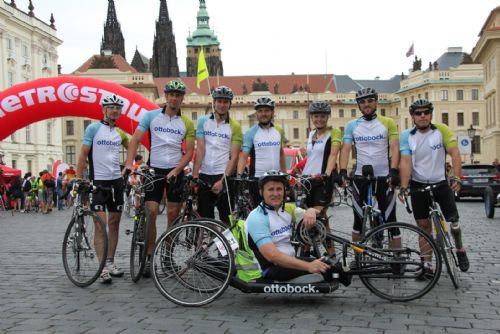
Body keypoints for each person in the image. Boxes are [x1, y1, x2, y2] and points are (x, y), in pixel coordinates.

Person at [124, 79, 195, 276]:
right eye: (171, 95)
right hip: (154, 169)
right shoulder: (151, 116)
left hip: (175, 171)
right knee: (152, 212)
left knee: (173, 216)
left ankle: (167, 255)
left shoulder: (187, 122)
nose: (174, 98)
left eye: (178, 95)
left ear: (182, 99)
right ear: (166, 96)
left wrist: (177, 170)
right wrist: (129, 163)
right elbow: (135, 140)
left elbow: (189, 152)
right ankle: (148, 256)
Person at [399, 99, 469, 274]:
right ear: (413, 117)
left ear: (431, 114)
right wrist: (403, 186)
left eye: (426, 112)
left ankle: (460, 249)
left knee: (454, 222)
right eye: (418, 113)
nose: (422, 116)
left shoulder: (441, 130)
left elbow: (455, 154)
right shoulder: (407, 135)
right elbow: (406, 162)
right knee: (423, 226)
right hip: (418, 184)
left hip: (440, 183)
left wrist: (456, 177)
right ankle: (427, 266)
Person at [244, 170, 331, 282]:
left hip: (288, 261)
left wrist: (310, 210)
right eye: (271, 189)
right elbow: (272, 256)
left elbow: (313, 214)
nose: (276, 194)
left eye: (279, 189)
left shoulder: (287, 209)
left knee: (330, 266)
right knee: (324, 271)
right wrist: (309, 266)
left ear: (285, 191)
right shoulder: (257, 217)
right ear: (261, 192)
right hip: (270, 267)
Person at [338, 87, 400, 242]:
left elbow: (395, 147)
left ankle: (396, 259)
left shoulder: (388, 122)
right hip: (360, 176)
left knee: (391, 220)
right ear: (358, 105)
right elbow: (345, 149)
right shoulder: (352, 125)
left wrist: (393, 170)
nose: (367, 104)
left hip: (384, 176)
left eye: (370, 100)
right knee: (358, 220)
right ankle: (358, 258)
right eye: (362, 102)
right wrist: (343, 171)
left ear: (376, 102)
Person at [76, 94, 126, 283]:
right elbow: (83, 154)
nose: (115, 110)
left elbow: (132, 146)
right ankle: (102, 267)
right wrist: (79, 178)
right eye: (111, 107)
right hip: (99, 183)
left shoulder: (119, 132)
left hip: (117, 183)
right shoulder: (94, 128)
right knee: (101, 225)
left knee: (114, 224)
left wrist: (132, 164)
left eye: (117, 108)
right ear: (104, 110)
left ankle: (111, 261)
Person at [192, 86, 242, 225]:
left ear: (230, 104)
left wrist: (223, 181)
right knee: (205, 219)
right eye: (219, 101)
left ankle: (226, 246)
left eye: (225, 102)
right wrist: (195, 174)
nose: (222, 105)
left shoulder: (235, 126)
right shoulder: (203, 122)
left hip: (224, 175)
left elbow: (234, 156)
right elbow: (200, 149)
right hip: (206, 174)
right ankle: (205, 245)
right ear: (214, 102)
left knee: (226, 220)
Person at [237, 97, 286, 206]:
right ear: (256, 114)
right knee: (259, 213)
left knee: (278, 211)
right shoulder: (251, 132)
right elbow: (244, 156)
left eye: (267, 110)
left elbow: (281, 155)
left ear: (272, 112)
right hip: (257, 179)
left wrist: (285, 174)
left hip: (277, 178)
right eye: (260, 111)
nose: (263, 114)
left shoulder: (279, 131)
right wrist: (239, 176)